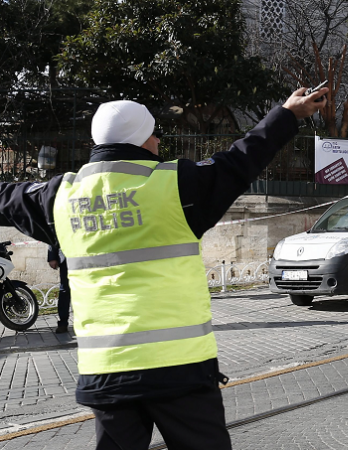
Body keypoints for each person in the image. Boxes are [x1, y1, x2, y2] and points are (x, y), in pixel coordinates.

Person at [0, 86, 327, 450]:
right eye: (154, 133)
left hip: (107, 374)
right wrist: (287, 114)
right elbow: (242, 158)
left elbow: (5, 196)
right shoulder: (177, 184)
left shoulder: (60, 196)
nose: (158, 140)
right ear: (141, 141)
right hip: (179, 372)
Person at [47, 245, 70, 334]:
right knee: (65, 290)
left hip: (88, 256)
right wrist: (52, 256)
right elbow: (53, 235)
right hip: (67, 258)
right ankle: (63, 323)